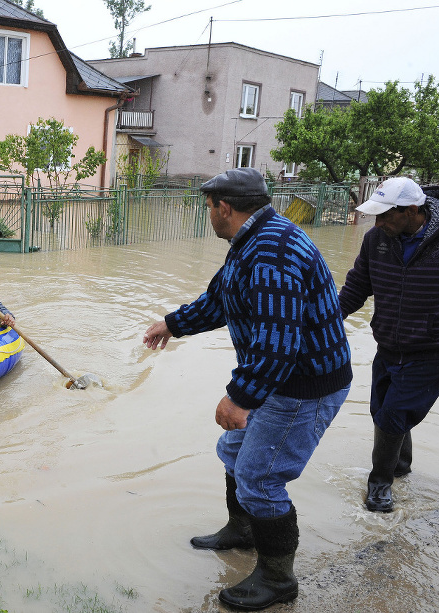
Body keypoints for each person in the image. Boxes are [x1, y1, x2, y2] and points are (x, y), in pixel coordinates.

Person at [142, 168, 352, 611]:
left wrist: (240, 396)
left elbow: (279, 343)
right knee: (234, 453)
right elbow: (221, 299)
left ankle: (278, 580)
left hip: (302, 386)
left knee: (260, 477)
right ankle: (243, 532)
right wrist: (173, 324)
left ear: (224, 207)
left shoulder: (271, 252)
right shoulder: (252, 241)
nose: (208, 217)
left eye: (208, 208)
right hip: (282, 377)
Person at [339, 177, 439, 513]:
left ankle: (379, 485)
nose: (378, 222)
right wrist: (324, 321)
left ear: (412, 211)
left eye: (385, 216)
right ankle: (401, 465)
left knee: (392, 415)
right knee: (382, 409)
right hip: (388, 342)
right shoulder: (377, 240)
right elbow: (358, 285)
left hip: (434, 349)